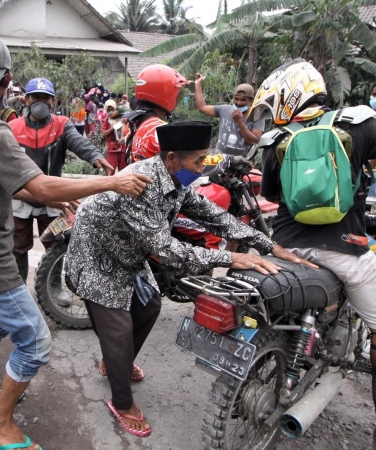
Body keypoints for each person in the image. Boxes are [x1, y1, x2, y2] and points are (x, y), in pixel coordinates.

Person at [0, 34, 151, 450]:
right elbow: (40, 186)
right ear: (8, 80)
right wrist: (113, 181)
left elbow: (5, 182)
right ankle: (0, 426)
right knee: (35, 343)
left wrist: (51, 191)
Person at [64, 120, 314, 437]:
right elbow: (165, 250)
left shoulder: (178, 181)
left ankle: (116, 364)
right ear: (172, 159)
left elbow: (214, 216)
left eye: (205, 159)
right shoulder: (143, 183)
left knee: (149, 306)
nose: (202, 167)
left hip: (130, 248)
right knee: (118, 328)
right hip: (98, 251)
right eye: (198, 161)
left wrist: (269, 245)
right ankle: (122, 402)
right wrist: (232, 256)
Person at [253, 59, 376, 450]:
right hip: (345, 248)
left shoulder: (275, 141)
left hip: (285, 245)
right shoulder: (360, 124)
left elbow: (272, 196)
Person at [9, 77, 114, 282]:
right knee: (16, 246)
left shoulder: (61, 125)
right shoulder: (12, 128)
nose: (40, 102)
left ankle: (54, 287)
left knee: (56, 244)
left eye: (45, 98)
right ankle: (18, 290)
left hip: (53, 198)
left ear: (53, 101)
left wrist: (96, 156)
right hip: (20, 198)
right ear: (26, 100)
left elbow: (78, 142)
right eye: (35, 97)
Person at [127, 64, 189, 162]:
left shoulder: (133, 122)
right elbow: (185, 162)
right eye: (177, 94)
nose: (179, 97)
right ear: (166, 93)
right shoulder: (160, 130)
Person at [194, 74, 265, 157]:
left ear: (250, 100)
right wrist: (197, 84)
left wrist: (239, 122)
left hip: (240, 163)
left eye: (243, 100)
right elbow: (202, 108)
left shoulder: (256, 116)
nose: (239, 103)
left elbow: (254, 141)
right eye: (236, 99)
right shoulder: (225, 109)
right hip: (219, 160)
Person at [100, 99, 127, 174]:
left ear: (115, 108)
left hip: (123, 149)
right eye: (108, 110)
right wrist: (112, 128)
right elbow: (103, 133)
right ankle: (108, 185)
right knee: (110, 170)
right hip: (112, 150)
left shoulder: (122, 118)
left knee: (123, 171)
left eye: (112, 109)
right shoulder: (107, 121)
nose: (111, 111)